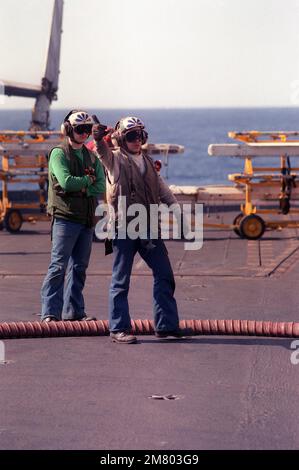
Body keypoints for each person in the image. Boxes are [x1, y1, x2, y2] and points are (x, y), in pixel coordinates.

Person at [92, 116, 192, 343]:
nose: (138, 140)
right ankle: (118, 328)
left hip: (149, 228)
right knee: (121, 280)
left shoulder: (147, 162)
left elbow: (163, 191)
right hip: (123, 229)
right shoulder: (114, 160)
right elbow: (101, 152)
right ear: (120, 138)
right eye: (132, 136)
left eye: (141, 135)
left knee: (165, 274)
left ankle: (166, 326)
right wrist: (98, 138)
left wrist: (179, 215)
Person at [41, 110, 106, 322]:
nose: (84, 133)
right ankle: (50, 313)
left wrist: (84, 187)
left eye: (87, 129)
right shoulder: (59, 154)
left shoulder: (91, 156)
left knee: (79, 268)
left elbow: (101, 186)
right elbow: (66, 182)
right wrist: (87, 182)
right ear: (69, 129)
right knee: (58, 266)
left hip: (86, 220)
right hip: (65, 218)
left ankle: (74, 312)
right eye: (80, 129)